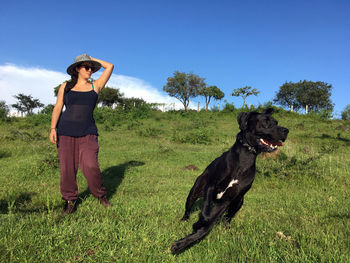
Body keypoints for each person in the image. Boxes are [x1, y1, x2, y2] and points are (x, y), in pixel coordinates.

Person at [50, 54, 114, 215]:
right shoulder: (66, 86)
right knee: (67, 169)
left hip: (88, 132)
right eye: (86, 67)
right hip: (65, 132)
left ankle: (101, 196)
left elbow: (110, 66)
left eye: (92, 67)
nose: (90, 70)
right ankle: (70, 201)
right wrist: (52, 128)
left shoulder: (96, 86)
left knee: (91, 166)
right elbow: (58, 107)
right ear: (77, 69)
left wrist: (91, 58)